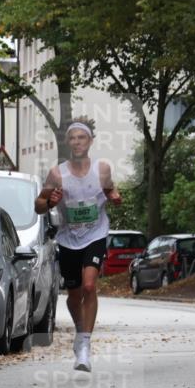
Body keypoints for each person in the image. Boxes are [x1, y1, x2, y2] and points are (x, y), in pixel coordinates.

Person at [35, 118, 121, 371]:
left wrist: (114, 197)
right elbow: (38, 205)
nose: (76, 142)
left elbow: (109, 190)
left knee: (89, 285)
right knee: (73, 296)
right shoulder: (57, 173)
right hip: (68, 239)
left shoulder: (102, 169)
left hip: (95, 235)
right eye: (72, 138)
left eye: (81, 137)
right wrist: (50, 201)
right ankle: (80, 331)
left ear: (90, 141)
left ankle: (85, 344)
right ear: (67, 142)